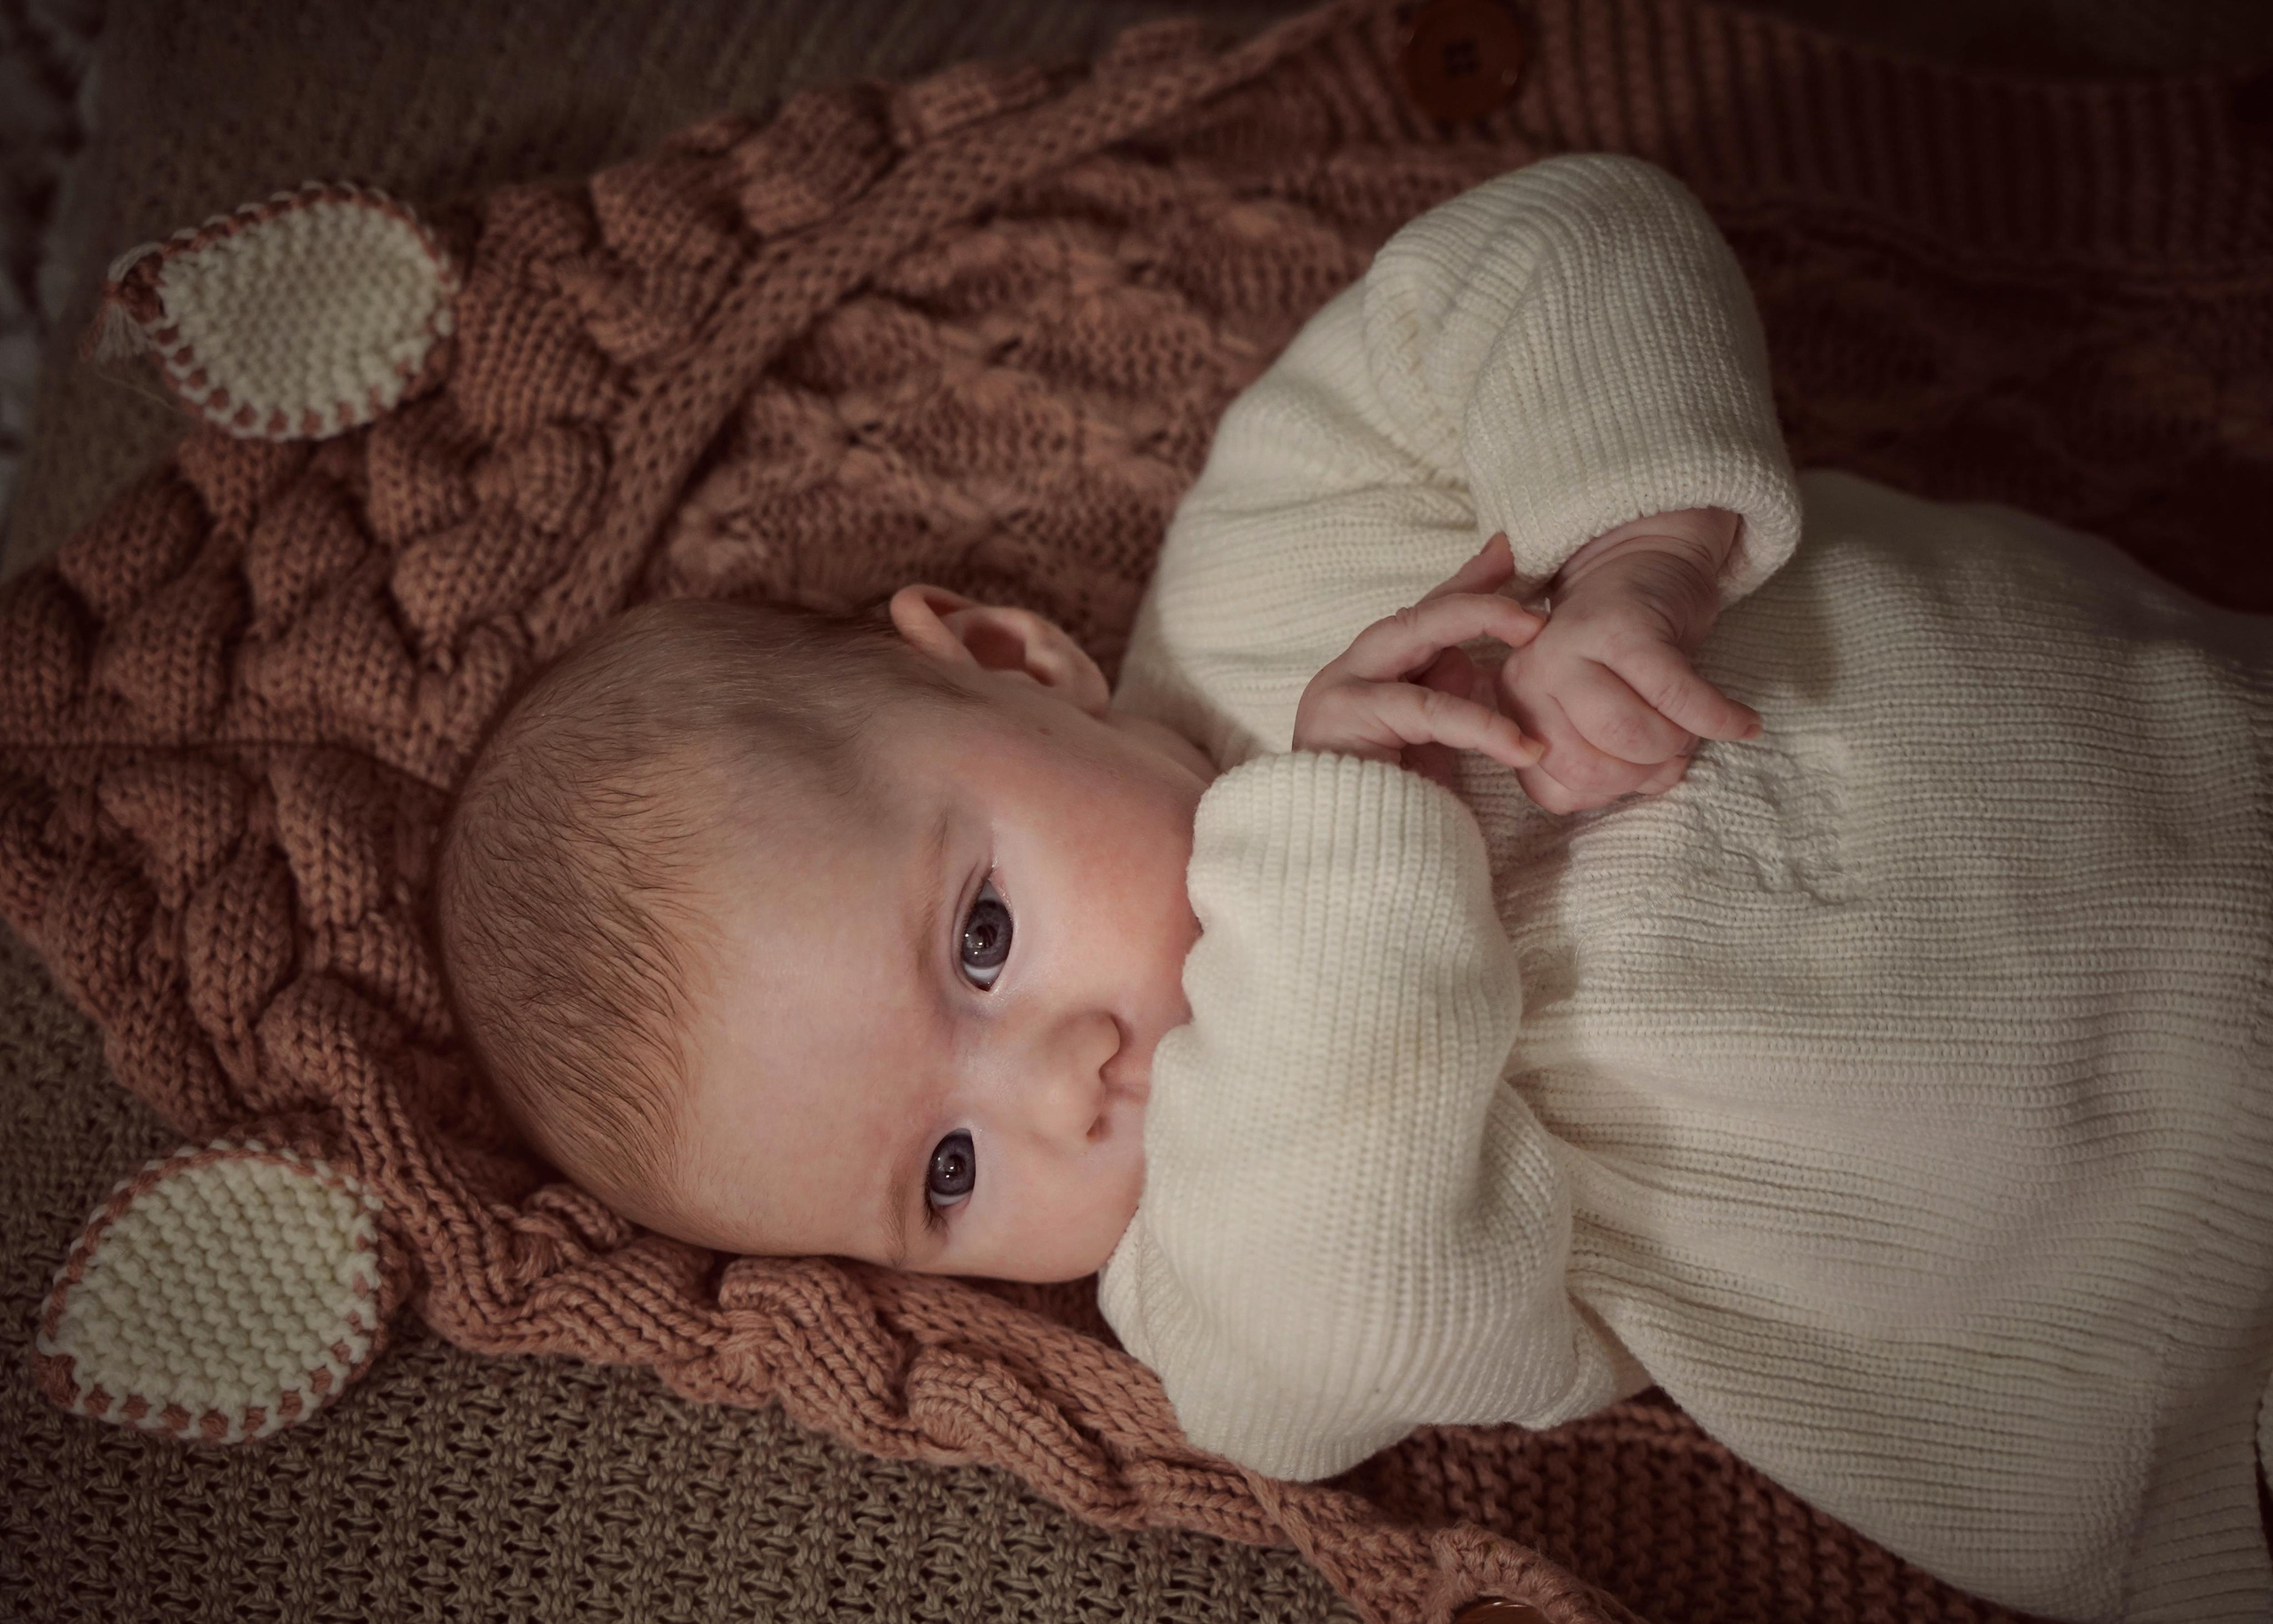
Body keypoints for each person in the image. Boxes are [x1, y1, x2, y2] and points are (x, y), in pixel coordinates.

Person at [434, 154, 2273, 1621]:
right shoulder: (1213, 1278)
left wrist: (1633, 540)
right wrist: (1333, 859)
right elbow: (1367, 1350)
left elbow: (1560, 239)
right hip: (2187, 1373)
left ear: (1005, 653)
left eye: (980, 943)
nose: (1058, 1085)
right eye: (947, 1173)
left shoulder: (1271, 550)